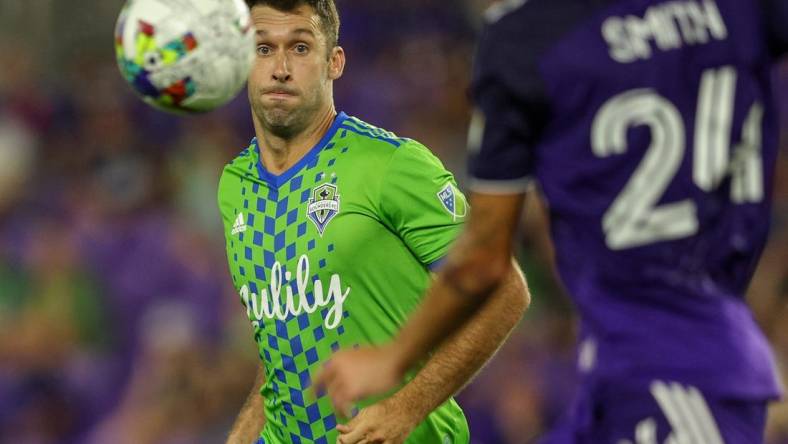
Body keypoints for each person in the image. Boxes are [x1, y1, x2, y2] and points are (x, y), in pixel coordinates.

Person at [316, 0, 788, 442]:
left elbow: (483, 260)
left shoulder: (525, 37)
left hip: (673, 370)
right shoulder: (736, 8)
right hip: (641, 363)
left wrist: (392, 359)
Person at [217, 1, 530, 443]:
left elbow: (504, 291)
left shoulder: (392, 165)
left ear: (334, 62)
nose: (281, 68)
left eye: (301, 48)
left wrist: (406, 408)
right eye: (263, 49)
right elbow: (280, 352)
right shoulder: (236, 186)